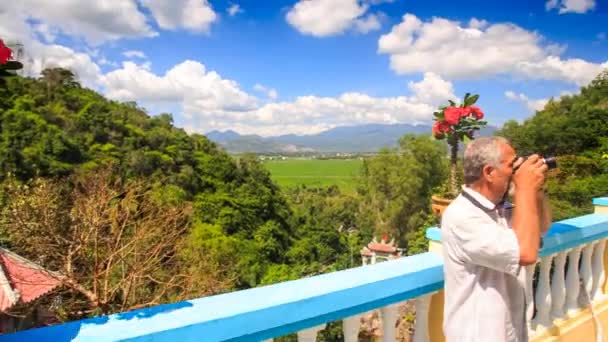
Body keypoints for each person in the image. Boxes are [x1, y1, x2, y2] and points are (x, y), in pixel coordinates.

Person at [441, 136, 552, 342]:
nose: (516, 171)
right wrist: (524, 188)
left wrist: (535, 192)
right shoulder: (463, 216)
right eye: (512, 165)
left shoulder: (503, 210)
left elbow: (542, 227)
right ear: (489, 172)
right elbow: (525, 253)